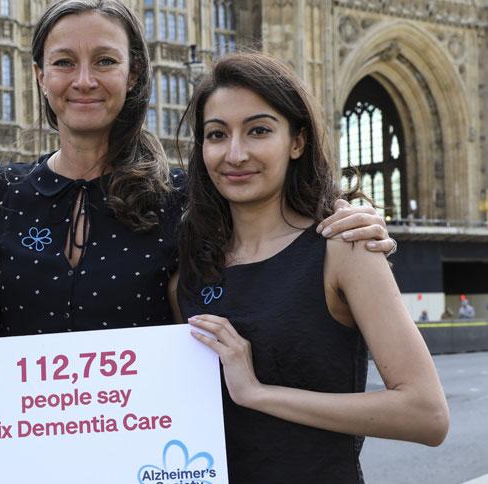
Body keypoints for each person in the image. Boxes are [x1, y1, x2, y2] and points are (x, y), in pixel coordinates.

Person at [0, 0, 395, 337]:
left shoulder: (185, 196)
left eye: (104, 61)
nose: (84, 80)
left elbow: (271, 241)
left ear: (133, 74)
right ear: (40, 77)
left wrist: (347, 219)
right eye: (64, 62)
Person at [176, 52, 448, 483]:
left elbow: (426, 413)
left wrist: (258, 393)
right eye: (216, 134)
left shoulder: (343, 246)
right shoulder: (191, 264)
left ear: (297, 141)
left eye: (259, 130)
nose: (235, 153)